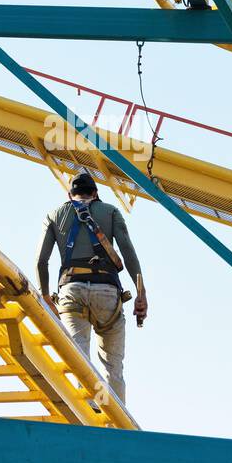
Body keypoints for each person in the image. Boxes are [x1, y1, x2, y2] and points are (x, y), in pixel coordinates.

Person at [35, 170, 147, 406]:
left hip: (71, 290)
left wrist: (45, 295)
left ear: (70, 194)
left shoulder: (55, 214)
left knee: (79, 358)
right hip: (107, 291)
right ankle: (115, 421)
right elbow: (127, 250)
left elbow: (41, 261)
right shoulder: (111, 212)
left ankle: (84, 413)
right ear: (95, 194)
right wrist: (141, 292)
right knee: (113, 365)